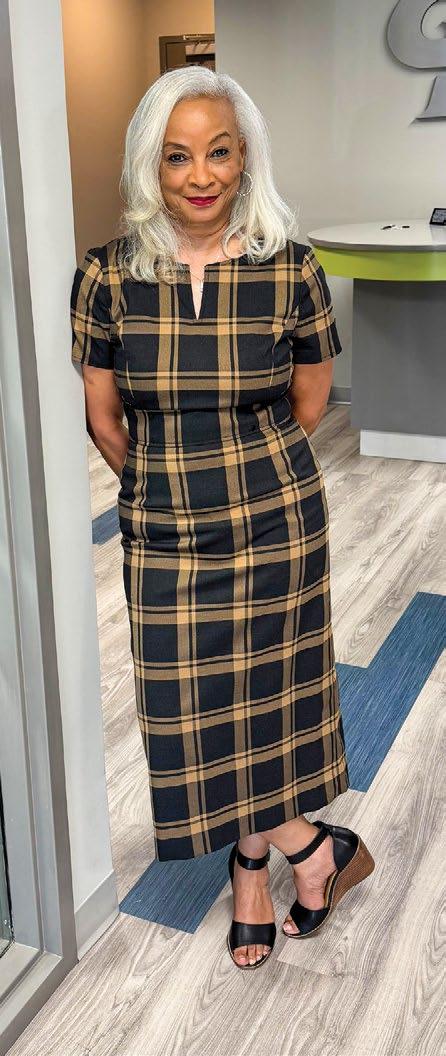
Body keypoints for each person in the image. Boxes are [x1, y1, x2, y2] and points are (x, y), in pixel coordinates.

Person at [70, 66, 375, 973]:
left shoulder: (290, 266)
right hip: (164, 533)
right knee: (191, 711)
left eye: (219, 152)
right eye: (177, 157)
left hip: (274, 523)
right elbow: (104, 419)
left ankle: (250, 868)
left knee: (266, 704)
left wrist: (241, 477)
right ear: (149, 165)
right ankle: (314, 849)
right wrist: (166, 487)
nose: (200, 175)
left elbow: (309, 402)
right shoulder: (106, 275)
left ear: (246, 160)